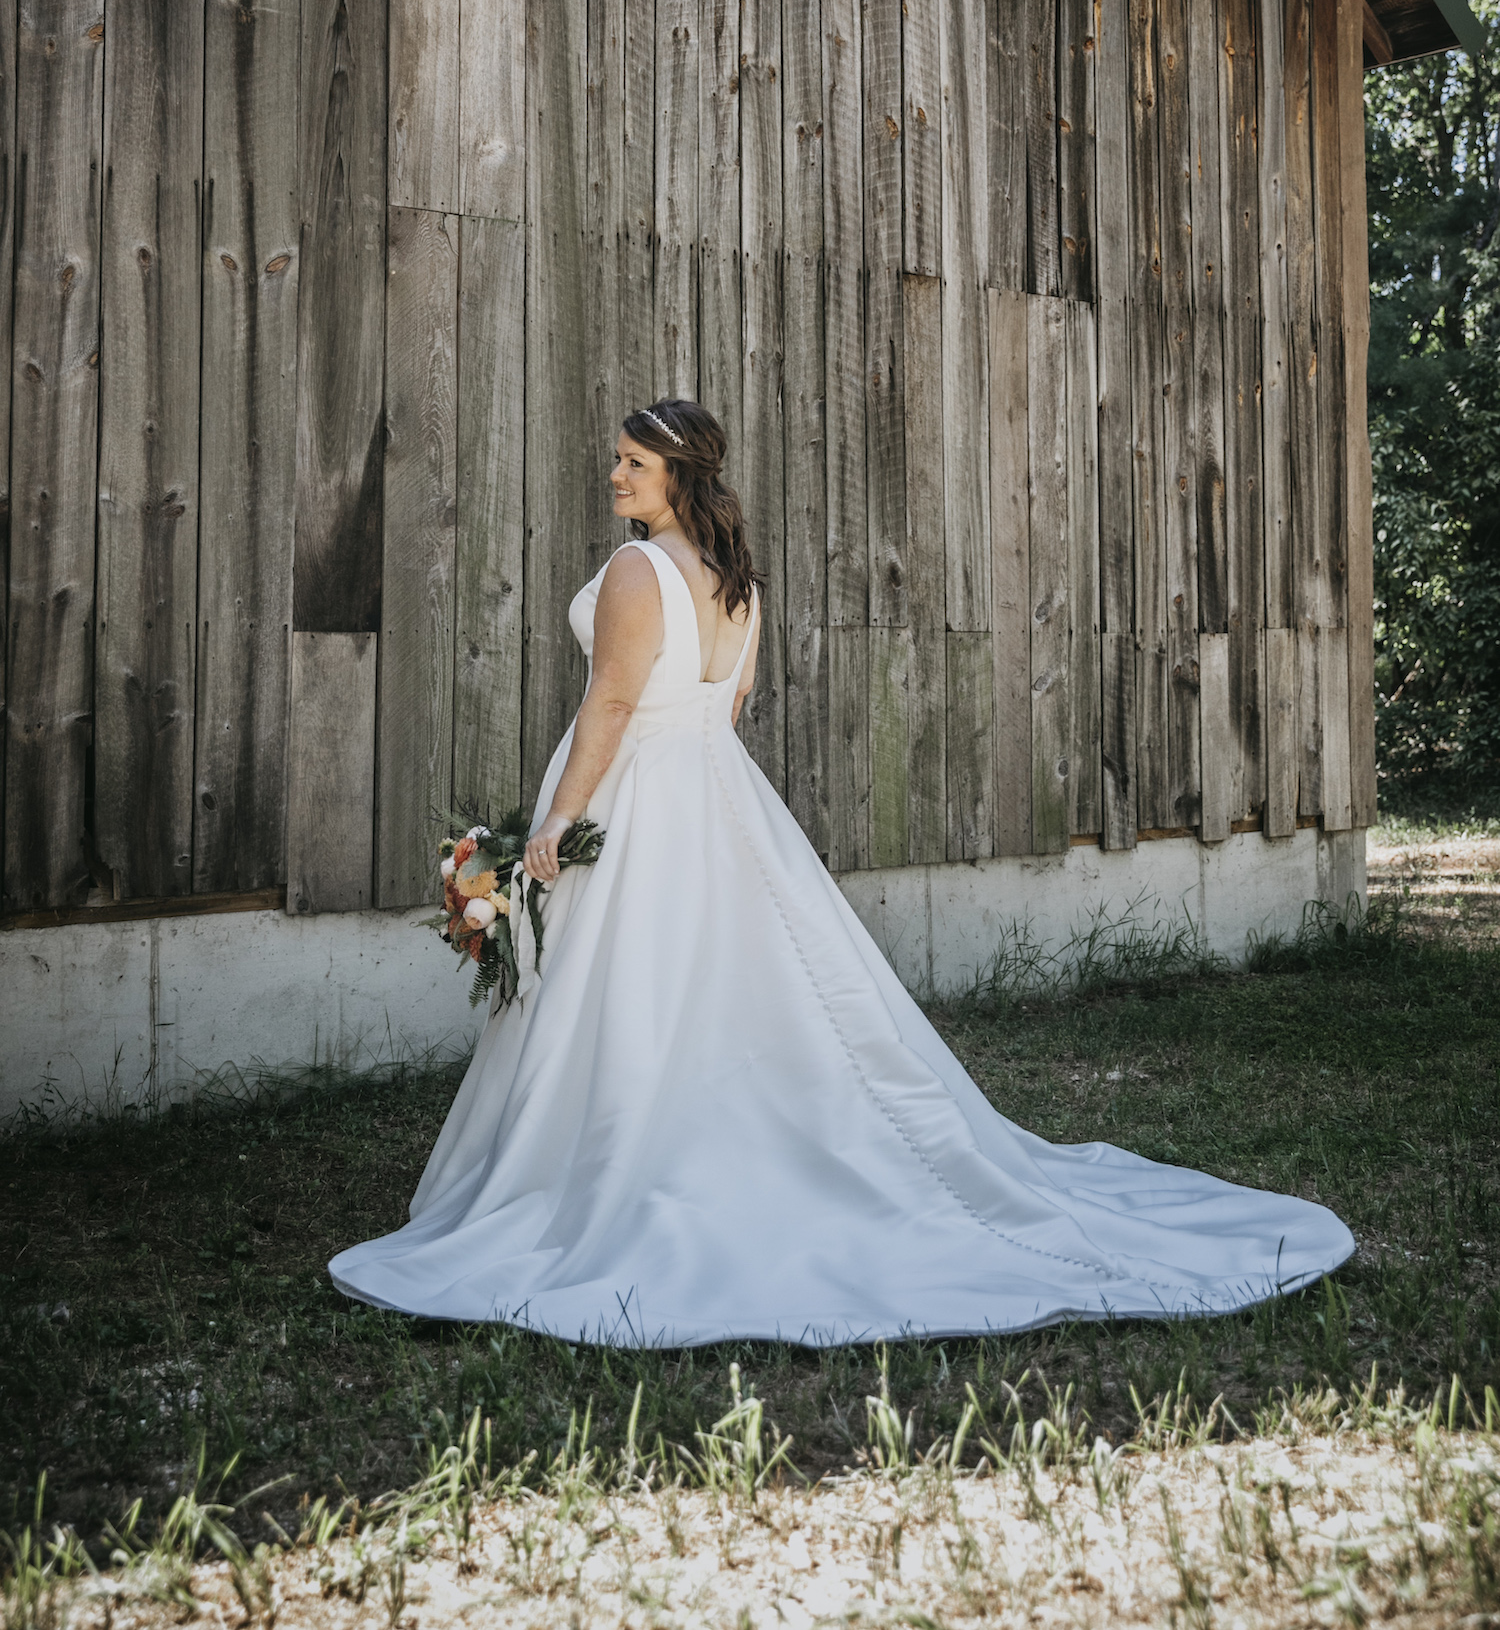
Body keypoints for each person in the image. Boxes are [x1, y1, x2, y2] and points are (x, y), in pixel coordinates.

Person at [329, 398, 1353, 1344]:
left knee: (632, 980)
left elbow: (609, 706)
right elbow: (727, 708)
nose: (614, 474)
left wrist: (558, 819)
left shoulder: (642, 572)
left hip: (636, 791)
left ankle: (609, 1170)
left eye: (633, 463)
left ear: (678, 474)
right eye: (617, 460)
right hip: (717, 789)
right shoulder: (736, 578)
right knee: (726, 978)